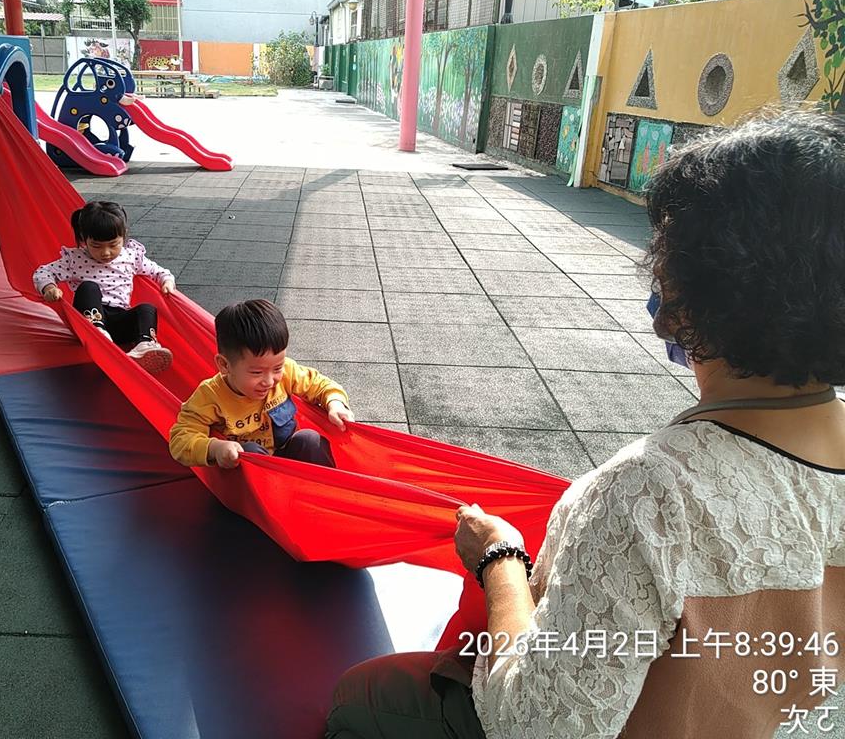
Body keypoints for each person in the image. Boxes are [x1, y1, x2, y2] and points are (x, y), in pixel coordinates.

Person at [326, 111, 845, 739]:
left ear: (684, 296)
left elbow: (535, 723)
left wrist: (499, 560)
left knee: (359, 697)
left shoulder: (653, 493)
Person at [169, 299, 355, 469]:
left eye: (277, 367)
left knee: (310, 439)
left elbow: (318, 383)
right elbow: (180, 439)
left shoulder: (287, 372)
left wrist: (335, 403)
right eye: (256, 372)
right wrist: (215, 448)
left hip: (286, 458)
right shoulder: (210, 395)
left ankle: (327, 487)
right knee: (249, 452)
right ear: (225, 365)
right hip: (250, 477)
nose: (269, 381)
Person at [33, 200, 175, 375]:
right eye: (96, 246)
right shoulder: (75, 259)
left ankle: (144, 346)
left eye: (113, 244)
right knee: (89, 288)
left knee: (147, 308)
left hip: (118, 321)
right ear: (84, 239)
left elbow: (158, 270)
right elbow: (43, 272)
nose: (106, 252)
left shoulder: (131, 256)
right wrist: (49, 287)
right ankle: (97, 332)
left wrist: (166, 281)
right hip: (89, 318)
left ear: (124, 236)